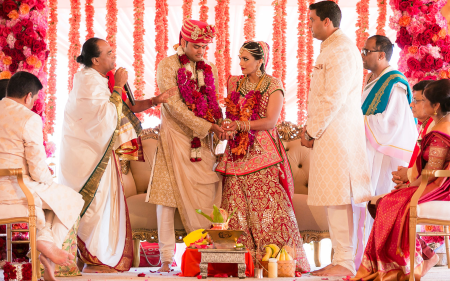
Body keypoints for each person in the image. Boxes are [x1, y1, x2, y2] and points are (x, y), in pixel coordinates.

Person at [58, 38, 169, 273]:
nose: (113, 56)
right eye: (109, 53)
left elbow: (124, 108)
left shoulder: (97, 79)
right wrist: (118, 84)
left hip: (98, 153)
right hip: (88, 157)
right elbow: (107, 117)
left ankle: (94, 255)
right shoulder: (88, 81)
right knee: (96, 203)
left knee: (102, 203)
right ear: (96, 59)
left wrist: (154, 101)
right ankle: (96, 255)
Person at [217, 41, 310, 272]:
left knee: (269, 208)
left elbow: (270, 121)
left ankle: (278, 263)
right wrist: (229, 125)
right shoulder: (235, 83)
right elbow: (231, 112)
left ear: (260, 61)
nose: (241, 63)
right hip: (236, 153)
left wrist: (241, 124)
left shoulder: (272, 85)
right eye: (239, 58)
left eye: (246, 59)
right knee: (234, 207)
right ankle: (239, 263)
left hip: (263, 153)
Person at [146, 19, 224, 272]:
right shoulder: (167, 65)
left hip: (201, 142)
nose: (202, 51)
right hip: (175, 138)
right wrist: (209, 126)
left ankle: (204, 254)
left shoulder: (207, 67)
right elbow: (173, 105)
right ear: (183, 42)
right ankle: (167, 259)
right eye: (197, 46)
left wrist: (219, 124)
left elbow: (211, 103)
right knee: (166, 196)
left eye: (205, 47)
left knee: (206, 194)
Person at [300, 1, 372, 276]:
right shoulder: (332, 47)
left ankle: (344, 263)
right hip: (331, 132)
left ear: (327, 22)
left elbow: (333, 98)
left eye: (312, 21)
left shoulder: (341, 50)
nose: (310, 26)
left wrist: (310, 131)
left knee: (340, 197)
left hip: (336, 132)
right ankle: (342, 259)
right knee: (335, 197)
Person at [353, 79, 450, 280]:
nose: (417, 104)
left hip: (440, 186)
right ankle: (417, 258)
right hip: (434, 183)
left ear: (436, 105)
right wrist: (409, 181)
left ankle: (403, 267)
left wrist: (409, 182)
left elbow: (432, 173)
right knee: (384, 202)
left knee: (388, 203)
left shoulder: (441, 129)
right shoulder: (437, 124)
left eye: (423, 101)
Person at [0, 71, 84, 281]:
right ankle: (45, 250)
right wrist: (49, 181)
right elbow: (38, 170)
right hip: (19, 189)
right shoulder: (28, 118)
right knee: (73, 199)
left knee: (51, 205)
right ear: (29, 96)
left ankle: (44, 248)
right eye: (35, 99)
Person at [353, 35, 418, 267]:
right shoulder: (373, 78)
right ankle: (362, 258)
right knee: (362, 202)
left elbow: (394, 122)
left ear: (381, 55)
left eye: (366, 51)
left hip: (384, 153)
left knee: (377, 203)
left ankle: (382, 259)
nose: (363, 55)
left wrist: (356, 121)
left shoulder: (395, 81)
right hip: (367, 147)